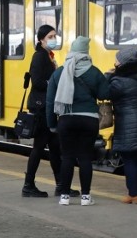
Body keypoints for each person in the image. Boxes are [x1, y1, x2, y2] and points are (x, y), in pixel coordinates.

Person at [46, 36, 109, 206]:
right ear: (86, 53)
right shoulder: (94, 71)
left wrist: (52, 124)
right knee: (85, 158)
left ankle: (64, 197)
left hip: (66, 120)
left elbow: (50, 101)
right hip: (89, 120)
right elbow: (105, 94)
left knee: (67, 158)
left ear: (72, 50)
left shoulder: (59, 72)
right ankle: (86, 197)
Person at [22, 24, 78, 198]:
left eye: (55, 36)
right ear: (41, 40)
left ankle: (61, 186)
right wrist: (54, 84)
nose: (54, 39)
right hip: (41, 108)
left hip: (48, 107)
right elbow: (37, 82)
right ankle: (28, 185)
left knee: (54, 147)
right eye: (50, 37)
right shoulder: (39, 57)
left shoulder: (48, 56)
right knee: (39, 147)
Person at [107, 47, 137, 205]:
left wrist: (109, 75)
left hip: (127, 123)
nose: (116, 62)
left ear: (125, 63)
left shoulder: (119, 81)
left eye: (118, 60)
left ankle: (133, 194)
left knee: (129, 160)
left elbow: (106, 93)